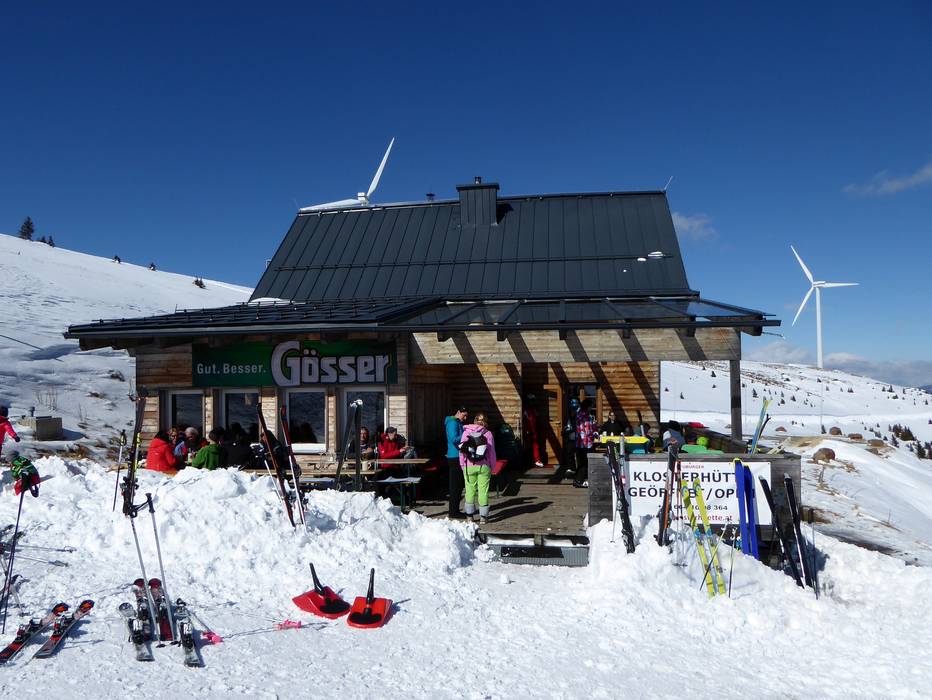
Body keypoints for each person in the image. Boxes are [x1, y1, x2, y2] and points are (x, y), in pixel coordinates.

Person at [459, 412, 497, 523]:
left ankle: (469, 516)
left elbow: (462, 451)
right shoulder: (488, 434)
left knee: (469, 490)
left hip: (469, 466)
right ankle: (483, 517)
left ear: (475, 421)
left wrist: (462, 465)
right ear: (485, 422)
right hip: (484, 466)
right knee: (483, 491)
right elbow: (491, 452)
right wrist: (492, 466)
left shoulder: (466, 432)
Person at [445, 406, 468, 518]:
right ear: (458, 412)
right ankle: (453, 512)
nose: (465, 418)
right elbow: (453, 439)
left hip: (458, 456)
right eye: (464, 415)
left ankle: (455, 510)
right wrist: (466, 435)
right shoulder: (452, 423)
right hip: (454, 457)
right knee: (455, 486)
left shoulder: (457, 422)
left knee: (459, 486)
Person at [574, 398, 596, 488]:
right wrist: (591, 434)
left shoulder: (588, 415)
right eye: (591, 406)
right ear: (587, 406)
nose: (592, 408)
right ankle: (579, 481)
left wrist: (594, 431)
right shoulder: (581, 415)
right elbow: (583, 430)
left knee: (584, 463)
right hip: (582, 443)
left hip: (587, 443)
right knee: (583, 463)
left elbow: (591, 427)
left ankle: (578, 480)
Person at [522, 394, 544, 468]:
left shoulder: (533, 410)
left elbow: (536, 418)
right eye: (531, 401)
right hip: (528, 431)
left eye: (533, 401)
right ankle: (528, 462)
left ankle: (536, 460)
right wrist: (526, 430)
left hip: (534, 430)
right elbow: (525, 421)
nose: (532, 402)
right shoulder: (526, 411)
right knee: (528, 447)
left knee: (535, 446)